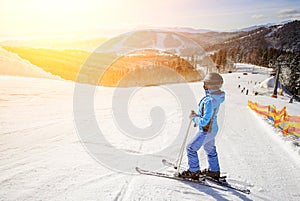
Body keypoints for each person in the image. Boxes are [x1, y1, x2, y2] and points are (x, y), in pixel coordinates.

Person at [178, 72, 225, 180]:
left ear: (209, 85)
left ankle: (194, 172)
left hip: (206, 130)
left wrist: (194, 118)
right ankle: (214, 171)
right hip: (212, 129)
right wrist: (197, 115)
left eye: (205, 83)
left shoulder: (209, 100)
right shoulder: (216, 97)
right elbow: (208, 115)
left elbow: (204, 121)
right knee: (209, 148)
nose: (203, 86)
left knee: (191, 148)